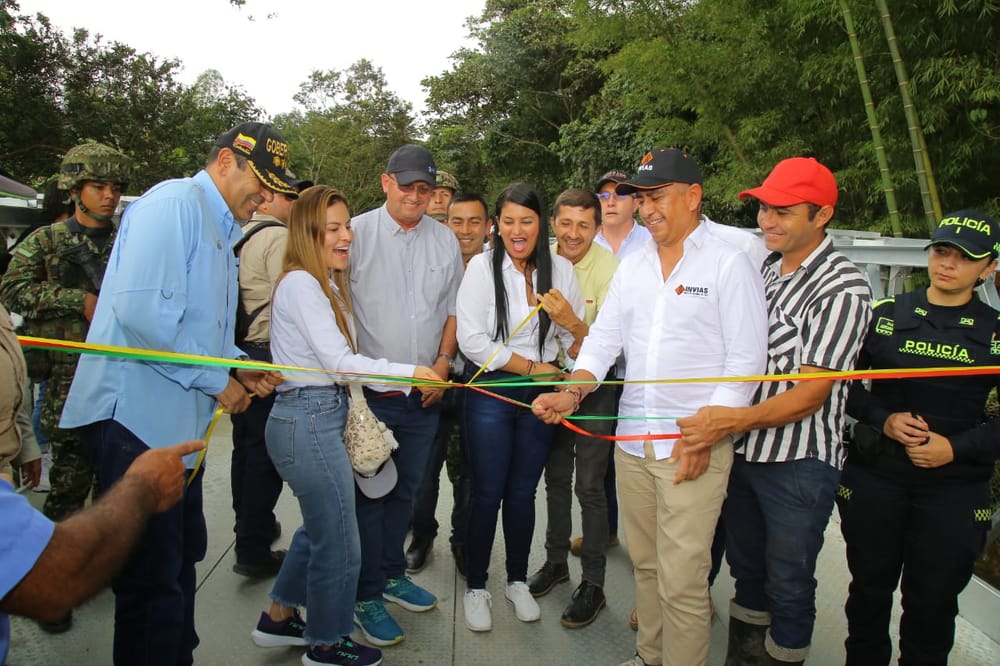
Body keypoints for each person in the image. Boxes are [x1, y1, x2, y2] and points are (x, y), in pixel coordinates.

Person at [59, 121, 290, 666]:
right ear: (225, 161)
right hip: (134, 423)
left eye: (274, 186)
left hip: (174, 429)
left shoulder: (218, 227)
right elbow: (142, 315)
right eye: (261, 180)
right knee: (151, 579)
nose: (267, 195)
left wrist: (240, 366)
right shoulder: (175, 205)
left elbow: (200, 329)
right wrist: (220, 383)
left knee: (181, 557)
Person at [533, 148, 768, 666]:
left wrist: (711, 428)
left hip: (692, 446)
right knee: (645, 566)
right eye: (641, 199)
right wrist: (572, 391)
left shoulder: (730, 262)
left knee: (683, 582)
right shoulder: (633, 265)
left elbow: (747, 360)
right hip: (633, 441)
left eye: (657, 196)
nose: (647, 209)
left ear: (693, 196)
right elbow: (603, 343)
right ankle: (649, 656)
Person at [677, 156, 873, 665]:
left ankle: (784, 656)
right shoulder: (765, 267)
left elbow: (812, 394)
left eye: (784, 211)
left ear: (822, 215)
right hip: (744, 451)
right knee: (748, 571)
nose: (767, 220)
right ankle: (743, 657)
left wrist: (729, 420)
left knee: (789, 578)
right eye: (764, 207)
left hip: (799, 461)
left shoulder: (842, 287)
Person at [248, 185, 442, 666]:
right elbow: (338, 362)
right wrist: (410, 371)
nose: (346, 236)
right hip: (307, 418)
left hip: (322, 413)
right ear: (307, 232)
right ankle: (327, 641)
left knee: (321, 530)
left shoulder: (326, 282)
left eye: (347, 226)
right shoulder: (300, 284)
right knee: (340, 538)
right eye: (333, 228)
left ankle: (279, 616)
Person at [838, 210, 1000, 666]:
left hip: (953, 487)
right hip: (878, 476)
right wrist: (883, 417)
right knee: (868, 592)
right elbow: (840, 385)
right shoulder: (886, 313)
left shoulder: (995, 330)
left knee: (932, 606)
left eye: (964, 258)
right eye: (941, 251)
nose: (947, 264)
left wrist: (957, 447)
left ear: (987, 268)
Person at [1, 143, 132, 634]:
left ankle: (104, 569)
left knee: (114, 482)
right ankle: (49, 579)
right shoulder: (46, 241)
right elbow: (11, 291)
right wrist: (77, 300)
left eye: (116, 188)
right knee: (69, 483)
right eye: (100, 187)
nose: (110, 196)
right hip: (66, 378)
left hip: (120, 377)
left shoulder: (128, 239)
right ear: (75, 190)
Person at [347, 144, 464, 647]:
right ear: (385, 182)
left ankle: (391, 575)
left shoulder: (445, 241)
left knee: (407, 490)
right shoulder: (354, 234)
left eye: (426, 188)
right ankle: (362, 593)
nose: (417, 196)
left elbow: (455, 310)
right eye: (408, 185)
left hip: (424, 396)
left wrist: (441, 365)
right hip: (372, 394)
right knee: (367, 498)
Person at [457, 182, 584, 632]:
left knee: (523, 491)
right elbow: (471, 340)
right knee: (487, 490)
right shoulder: (479, 268)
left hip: (543, 395)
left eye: (526, 221)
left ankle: (515, 580)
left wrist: (568, 327)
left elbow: (576, 340)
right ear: (497, 224)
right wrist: (533, 367)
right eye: (508, 221)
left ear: (540, 224)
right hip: (493, 389)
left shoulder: (562, 269)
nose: (517, 230)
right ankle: (476, 585)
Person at [526, 188, 619, 629]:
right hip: (551, 379)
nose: (573, 233)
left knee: (590, 486)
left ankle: (594, 584)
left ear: (598, 228)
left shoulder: (613, 271)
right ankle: (556, 561)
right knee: (556, 478)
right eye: (565, 223)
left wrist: (572, 322)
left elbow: (607, 348)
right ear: (553, 225)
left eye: (585, 225)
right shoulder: (538, 263)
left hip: (596, 387)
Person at [406, 192, 492, 577]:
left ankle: (462, 540)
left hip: (475, 386)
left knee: (469, 471)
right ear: (445, 223)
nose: (465, 230)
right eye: (457, 221)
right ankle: (421, 535)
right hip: (431, 381)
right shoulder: (429, 263)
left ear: (488, 227)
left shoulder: (497, 270)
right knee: (423, 471)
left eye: (474, 222)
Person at [229, 179, 299, 578]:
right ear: (270, 197)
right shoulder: (278, 238)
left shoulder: (240, 234)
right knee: (265, 458)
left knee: (246, 450)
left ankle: (249, 529)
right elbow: (290, 299)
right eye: (288, 196)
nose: (293, 203)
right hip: (267, 356)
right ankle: (253, 548)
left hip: (241, 355)